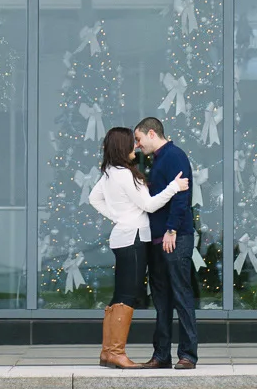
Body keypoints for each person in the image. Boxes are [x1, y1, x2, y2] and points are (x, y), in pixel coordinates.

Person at [86, 126, 188, 369]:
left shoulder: (110, 172)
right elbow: (150, 205)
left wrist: (118, 216)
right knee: (127, 295)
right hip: (132, 238)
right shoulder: (123, 174)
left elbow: (93, 198)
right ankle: (116, 353)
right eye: (131, 143)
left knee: (119, 295)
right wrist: (174, 187)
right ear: (122, 146)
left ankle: (107, 352)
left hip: (123, 236)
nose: (136, 146)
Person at [134, 116, 197, 368]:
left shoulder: (174, 156)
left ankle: (188, 355)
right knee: (161, 300)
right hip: (158, 239)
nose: (138, 145)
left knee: (181, 295)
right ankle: (161, 355)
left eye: (138, 139)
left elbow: (182, 196)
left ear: (152, 133)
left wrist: (171, 229)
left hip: (175, 238)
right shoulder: (158, 159)